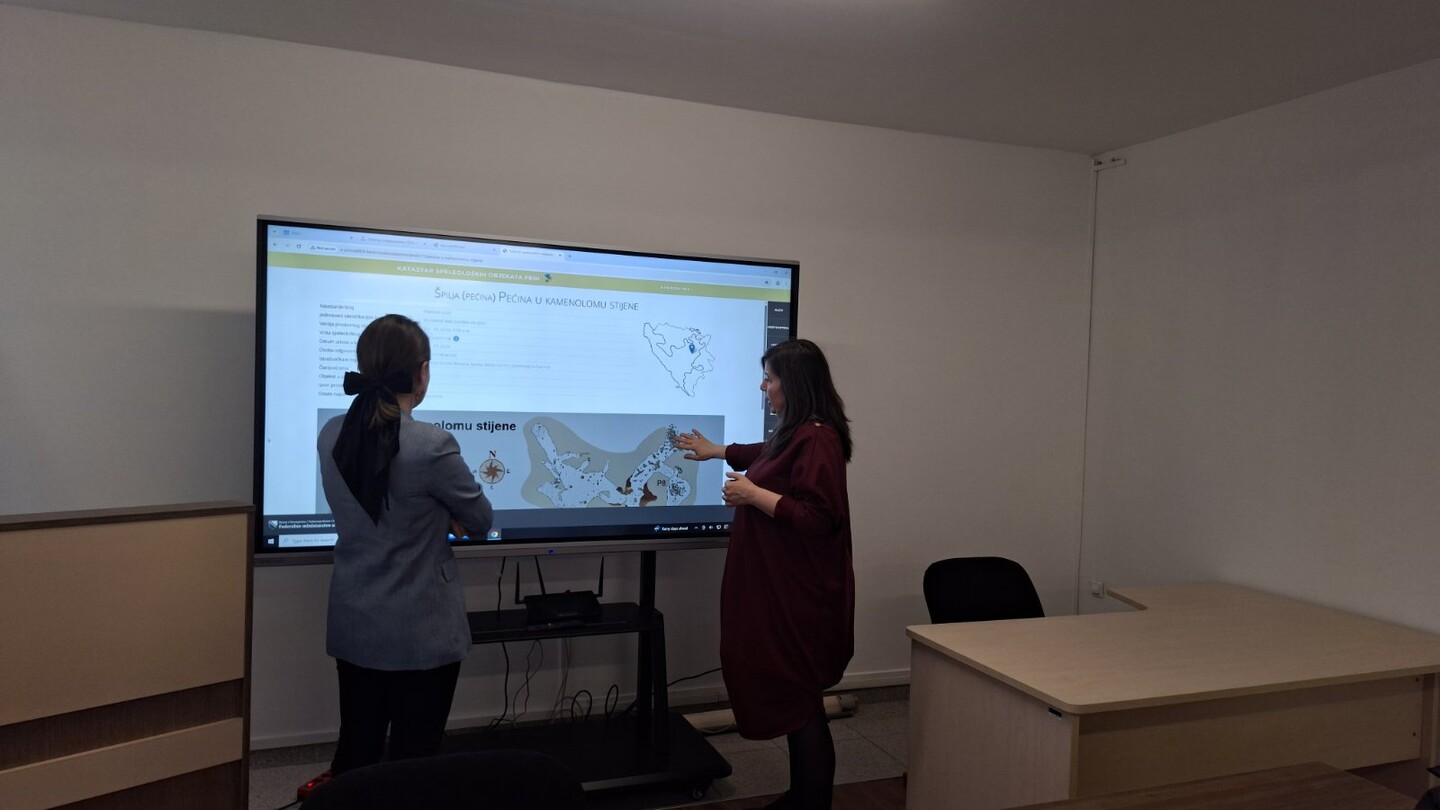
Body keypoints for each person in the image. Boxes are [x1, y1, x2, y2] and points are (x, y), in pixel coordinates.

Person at [673, 338, 854, 810]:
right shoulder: (799, 433)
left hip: (798, 598)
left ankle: (811, 803)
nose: (763, 387)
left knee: (801, 703)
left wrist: (752, 494)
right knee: (796, 700)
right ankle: (802, 797)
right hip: (781, 590)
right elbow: (768, 451)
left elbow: (818, 517)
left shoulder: (818, 438)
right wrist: (718, 451)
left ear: (792, 383)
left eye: (769, 378)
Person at [317, 313, 494, 776]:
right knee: (414, 764)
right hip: (423, 632)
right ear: (422, 372)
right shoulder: (431, 445)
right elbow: (480, 520)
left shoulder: (330, 434)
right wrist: (443, 511)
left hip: (355, 622)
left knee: (357, 751)